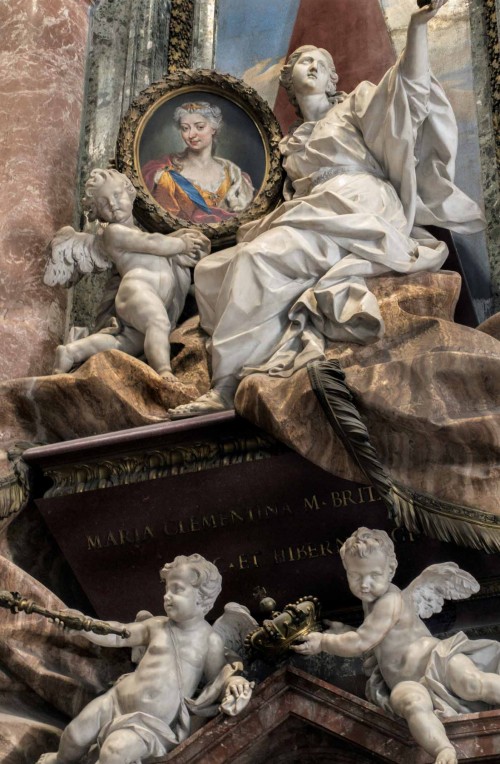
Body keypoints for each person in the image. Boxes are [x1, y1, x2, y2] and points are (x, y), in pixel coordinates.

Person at [168, 0, 484, 418]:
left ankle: (228, 384)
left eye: (321, 62)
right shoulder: (287, 144)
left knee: (257, 259)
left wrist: (418, 28)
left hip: (355, 201)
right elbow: (277, 199)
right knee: (218, 269)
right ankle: (237, 373)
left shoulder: (355, 106)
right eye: (304, 61)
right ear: (289, 81)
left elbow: (408, 91)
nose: (313, 67)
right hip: (311, 211)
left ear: (334, 76)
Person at [293, 528, 500, 764]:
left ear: (391, 570)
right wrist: (344, 631)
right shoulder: (371, 602)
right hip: (403, 681)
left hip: (436, 660)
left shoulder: (389, 600)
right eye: (356, 576)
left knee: (472, 683)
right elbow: (372, 637)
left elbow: (363, 641)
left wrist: (324, 642)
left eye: (374, 575)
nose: (365, 584)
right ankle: (443, 749)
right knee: (412, 705)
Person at [37, 554, 253, 764]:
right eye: (167, 589)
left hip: (152, 725)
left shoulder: (210, 641)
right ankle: (58, 760)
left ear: (202, 598)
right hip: (115, 701)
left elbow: (218, 680)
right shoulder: (157, 625)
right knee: (74, 735)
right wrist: (85, 625)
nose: (167, 596)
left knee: (114, 752)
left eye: (177, 589)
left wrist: (233, 682)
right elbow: (118, 634)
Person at [50, 168, 209, 380]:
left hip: (150, 295)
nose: (113, 205)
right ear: (96, 212)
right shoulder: (113, 233)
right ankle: (163, 372)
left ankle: (71, 352)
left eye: (117, 195)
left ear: (130, 193)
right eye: (104, 203)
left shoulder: (134, 231)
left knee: (125, 343)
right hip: (137, 290)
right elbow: (152, 243)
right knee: (158, 323)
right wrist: (181, 243)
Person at [141, 102, 255, 224]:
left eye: (199, 127)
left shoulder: (233, 173)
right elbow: (163, 221)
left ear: (213, 128)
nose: (191, 135)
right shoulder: (165, 173)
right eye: (185, 128)